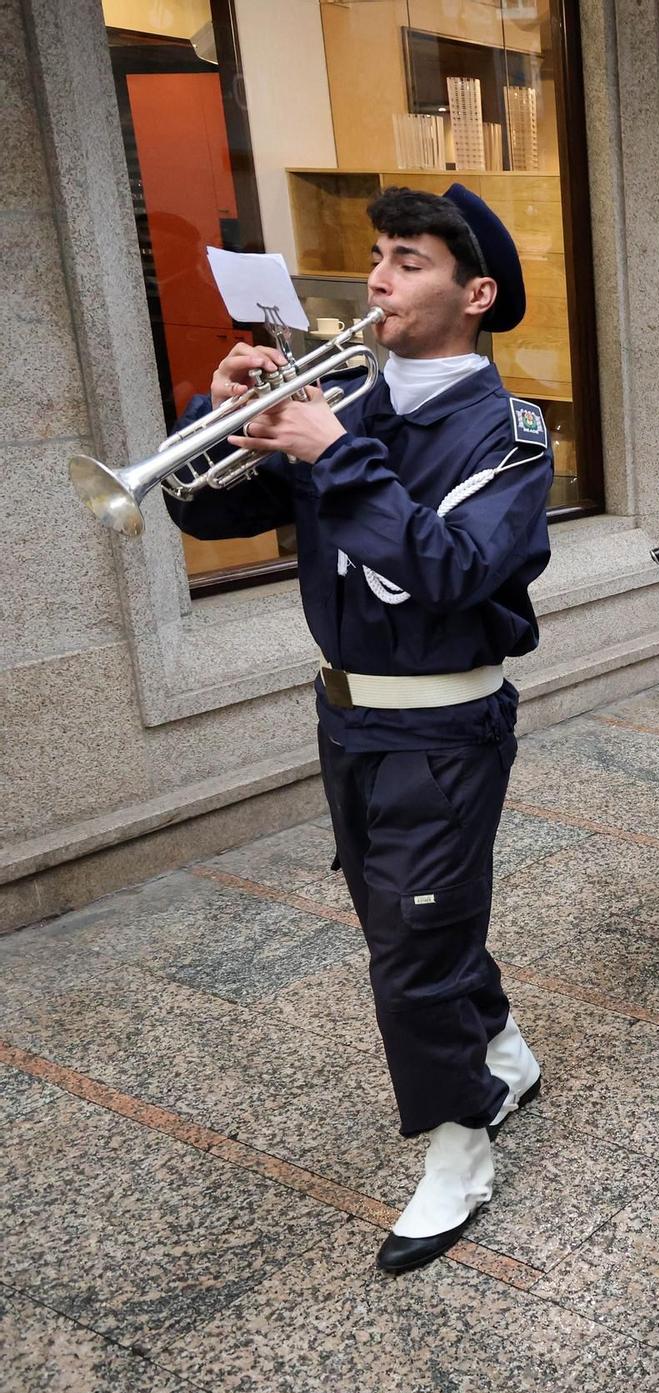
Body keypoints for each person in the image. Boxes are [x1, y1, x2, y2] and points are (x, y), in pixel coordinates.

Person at [163, 185, 553, 1273]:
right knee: (403, 921)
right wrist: (218, 410)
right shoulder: (347, 403)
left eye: (410, 261)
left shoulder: (510, 433)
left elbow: (455, 569)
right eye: (377, 256)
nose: (378, 278)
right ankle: (503, 1053)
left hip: (444, 723)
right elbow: (208, 510)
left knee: (411, 949)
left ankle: (458, 1146)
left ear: (475, 294)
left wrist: (335, 451)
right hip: (347, 717)